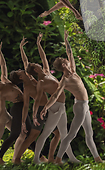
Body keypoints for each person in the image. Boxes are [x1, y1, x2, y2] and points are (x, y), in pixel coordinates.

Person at [40, 31, 103, 164]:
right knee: (71, 134)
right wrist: (46, 107)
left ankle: (97, 159)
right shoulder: (65, 80)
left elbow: (70, 54)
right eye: (66, 61)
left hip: (85, 105)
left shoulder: (73, 70)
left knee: (89, 134)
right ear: (64, 65)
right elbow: (56, 95)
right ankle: (58, 159)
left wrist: (66, 40)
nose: (69, 61)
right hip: (79, 106)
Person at [27, 33, 80, 164]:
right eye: (36, 64)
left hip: (61, 106)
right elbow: (38, 100)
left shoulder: (46, 72)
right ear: (35, 69)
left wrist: (39, 44)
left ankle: (71, 158)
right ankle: (36, 159)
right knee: (45, 133)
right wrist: (35, 115)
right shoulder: (41, 83)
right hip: (55, 107)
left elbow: (43, 57)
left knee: (64, 134)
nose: (39, 64)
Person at [9, 37, 59, 164]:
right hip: (40, 112)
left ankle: (50, 159)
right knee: (32, 136)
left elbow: (26, 61)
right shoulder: (27, 88)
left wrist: (21, 48)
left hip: (46, 109)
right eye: (21, 71)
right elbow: (26, 106)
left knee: (57, 133)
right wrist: (23, 122)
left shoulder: (31, 78)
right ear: (21, 76)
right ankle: (17, 159)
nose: (23, 69)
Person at [0, 40, 28, 165]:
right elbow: (1, 110)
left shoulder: (5, 79)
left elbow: (3, 65)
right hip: (17, 108)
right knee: (16, 134)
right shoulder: (1, 93)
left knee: (26, 133)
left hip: (24, 106)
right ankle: (1, 158)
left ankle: (23, 157)